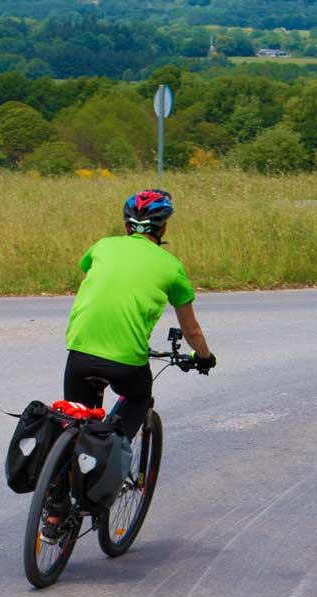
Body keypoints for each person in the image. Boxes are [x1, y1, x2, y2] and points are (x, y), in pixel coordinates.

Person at [44, 189, 216, 541]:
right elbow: (191, 329)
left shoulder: (102, 246)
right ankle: (108, 459)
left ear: (126, 223)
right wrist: (204, 357)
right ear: (162, 227)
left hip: (79, 353)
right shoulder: (172, 267)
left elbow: (94, 283)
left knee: (74, 421)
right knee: (139, 399)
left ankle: (54, 514)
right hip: (126, 363)